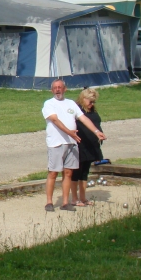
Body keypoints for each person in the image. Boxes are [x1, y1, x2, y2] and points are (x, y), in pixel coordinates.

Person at [42, 79, 106, 212]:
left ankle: (66, 202)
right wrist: (69, 132)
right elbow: (54, 120)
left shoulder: (71, 103)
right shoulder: (49, 104)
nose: (57, 90)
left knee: (68, 172)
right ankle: (49, 202)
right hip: (56, 142)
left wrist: (96, 131)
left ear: (65, 89)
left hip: (71, 143)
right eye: (55, 88)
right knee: (53, 173)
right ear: (52, 90)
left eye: (60, 87)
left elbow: (83, 118)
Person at [69, 88, 103, 206]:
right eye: (90, 101)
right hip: (79, 144)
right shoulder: (76, 110)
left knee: (85, 172)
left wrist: (99, 134)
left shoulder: (93, 111)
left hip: (90, 144)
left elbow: (96, 124)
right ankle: (74, 198)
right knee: (76, 172)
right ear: (83, 99)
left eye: (93, 101)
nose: (92, 104)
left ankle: (83, 197)